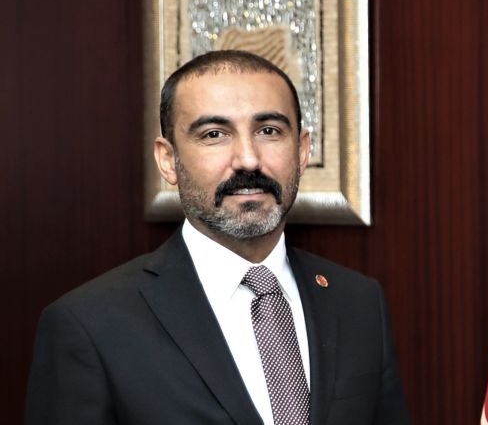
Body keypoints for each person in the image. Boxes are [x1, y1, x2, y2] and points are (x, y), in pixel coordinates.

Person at [25, 50, 409, 425]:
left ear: (302, 151)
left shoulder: (359, 302)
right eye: (214, 134)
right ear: (168, 160)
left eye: (269, 131)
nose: (248, 159)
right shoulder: (90, 325)